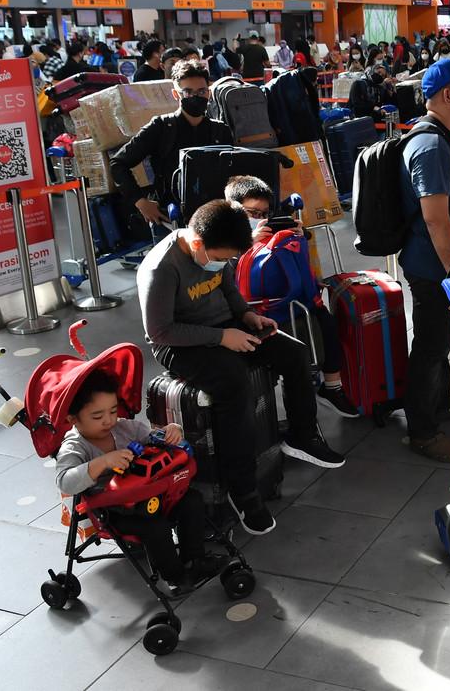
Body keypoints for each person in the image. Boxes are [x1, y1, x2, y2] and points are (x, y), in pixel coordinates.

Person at [138, 199, 346, 535]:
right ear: (196, 244)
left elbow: (229, 289)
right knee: (233, 383)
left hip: (224, 326)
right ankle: (242, 489)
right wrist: (222, 337)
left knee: (293, 352)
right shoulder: (161, 268)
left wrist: (247, 316)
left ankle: (302, 435)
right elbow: (159, 332)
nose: (221, 264)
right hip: (178, 345)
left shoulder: (215, 252)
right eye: (219, 259)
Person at [54, 368, 224, 590]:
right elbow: (65, 480)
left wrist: (170, 431)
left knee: (191, 500)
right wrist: (103, 463)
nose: (108, 421)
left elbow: (153, 439)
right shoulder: (75, 447)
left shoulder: (125, 428)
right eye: (97, 416)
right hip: (114, 510)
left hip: (152, 494)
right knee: (154, 526)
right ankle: (176, 576)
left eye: (113, 411)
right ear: (73, 419)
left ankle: (195, 559)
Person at [399, 58, 450, 462]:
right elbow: (435, 218)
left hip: (442, 263)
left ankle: (437, 406)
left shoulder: (445, 138)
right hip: (433, 267)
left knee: (439, 343)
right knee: (431, 347)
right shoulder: (430, 145)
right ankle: (422, 431)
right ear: (448, 95)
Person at [224, 176, 359, 418]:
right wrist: (247, 243)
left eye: (263, 212)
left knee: (326, 321)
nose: (258, 218)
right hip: (253, 310)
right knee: (293, 342)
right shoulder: (224, 240)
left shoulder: (272, 234)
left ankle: (332, 386)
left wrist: (298, 235)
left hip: (286, 299)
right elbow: (227, 278)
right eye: (252, 212)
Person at [111, 60, 233, 226]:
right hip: (170, 217)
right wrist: (140, 202)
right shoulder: (161, 127)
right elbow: (118, 163)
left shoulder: (220, 130)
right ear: (176, 95)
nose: (195, 97)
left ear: (209, 93)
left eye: (201, 91)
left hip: (214, 217)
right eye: (188, 92)